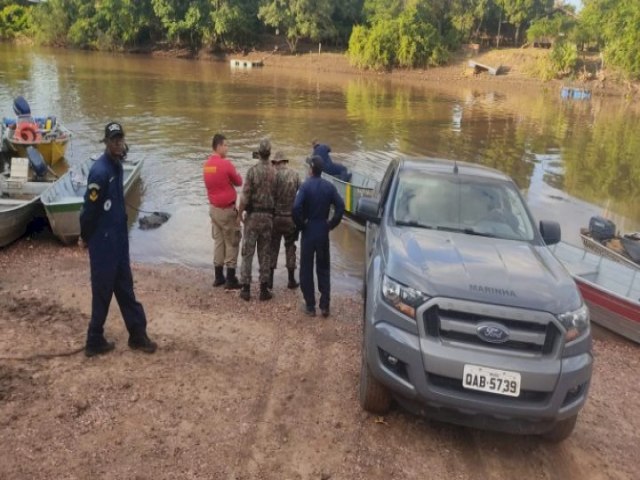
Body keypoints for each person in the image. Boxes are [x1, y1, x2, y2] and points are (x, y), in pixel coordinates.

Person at [79, 122, 157, 357]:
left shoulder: (117, 165)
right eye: (113, 140)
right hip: (103, 243)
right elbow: (89, 211)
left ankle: (137, 335)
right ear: (106, 142)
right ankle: (94, 339)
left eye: (120, 139)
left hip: (119, 240)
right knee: (102, 291)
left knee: (125, 288)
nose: (117, 143)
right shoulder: (100, 172)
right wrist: (84, 237)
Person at [293, 155, 345, 317]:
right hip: (323, 230)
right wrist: (331, 224)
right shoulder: (329, 187)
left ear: (310, 170)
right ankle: (325, 306)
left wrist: (301, 225)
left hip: (309, 231)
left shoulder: (305, 186)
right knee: (323, 268)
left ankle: (310, 306)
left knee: (306, 269)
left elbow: (295, 208)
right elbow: (340, 207)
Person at [238, 139, 277, 301]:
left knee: (248, 252)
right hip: (268, 218)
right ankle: (263, 289)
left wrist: (239, 213)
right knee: (265, 253)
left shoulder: (252, 171)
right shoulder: (275, 172)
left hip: (253, 217)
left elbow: (245, 196)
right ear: (269, 153)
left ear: (259, 153)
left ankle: (246, 289)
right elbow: (278, 195)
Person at [203, 133, 243, 289]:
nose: (227, 148)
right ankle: (231, 279)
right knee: (232, 241)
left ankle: (218, 277)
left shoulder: (207, 165)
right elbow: (239, 182)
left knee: (219, 242)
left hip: (213, 210)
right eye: (226, 145)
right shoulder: (226, 164)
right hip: (227, 210)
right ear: (218, 146)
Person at [269, 151, 301, 289]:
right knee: (290, 247)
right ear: (285, 161)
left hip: (275, 218)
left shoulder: (271, 176)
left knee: (272, 248)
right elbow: (302, 194)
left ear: (276, 162)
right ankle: (291, 280)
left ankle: (269, 281)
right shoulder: (295, 175)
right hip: (290, 218)